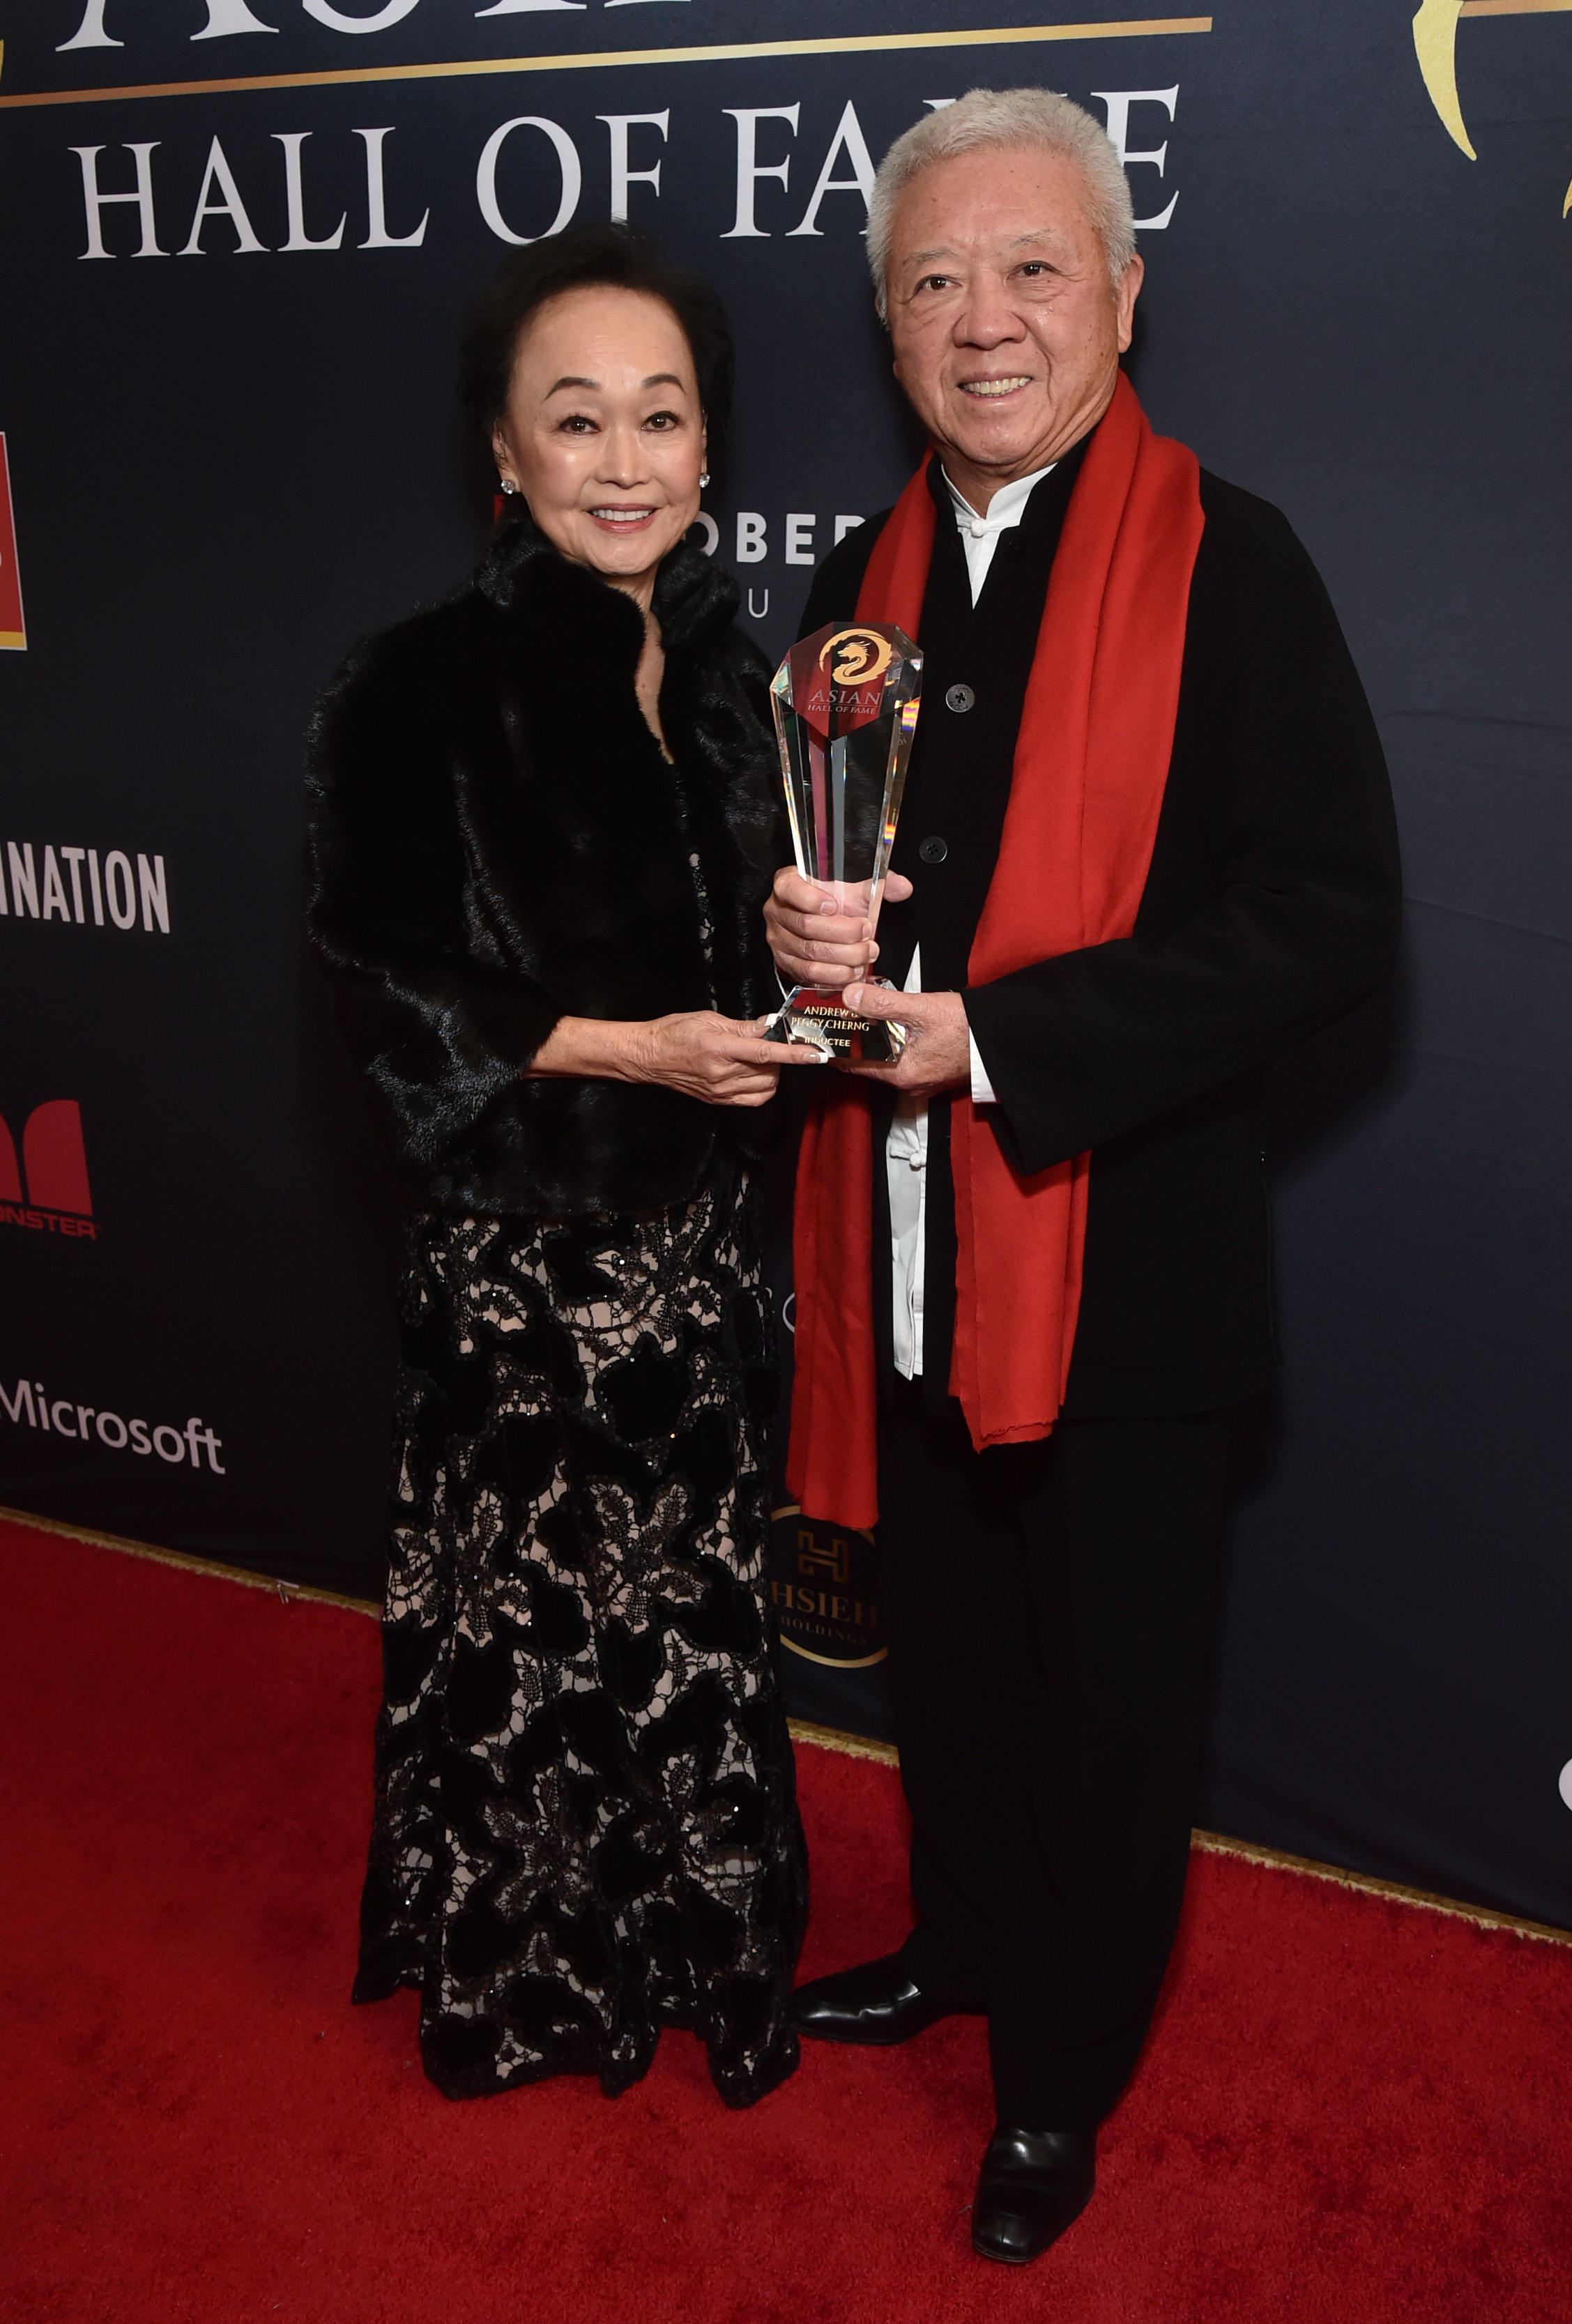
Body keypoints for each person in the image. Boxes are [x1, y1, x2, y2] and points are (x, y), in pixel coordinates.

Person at [767, 91, 1401, 2260]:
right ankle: (960, 1944)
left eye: (1033, 269)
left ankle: (1057, 2074)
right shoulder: (855, 594)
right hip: (905, 1242)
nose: (986, 321)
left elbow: (1328, 919)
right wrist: (799, 930)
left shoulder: (1236, 558)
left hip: (1124, 1269)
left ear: (1126, 295)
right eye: (935, 281)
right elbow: (842, 873)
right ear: (888, 328)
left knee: (1111, 1699)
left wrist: (1001, 1042)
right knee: (948, 1656)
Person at [306, 224, 822, 2111]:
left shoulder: (739, 678)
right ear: (505, 454)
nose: (623, 461)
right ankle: (532, 1980)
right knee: (529, 1643)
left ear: (709, 449)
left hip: (698, 1257)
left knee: (689, 1625)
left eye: (660, 417)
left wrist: (815, 958)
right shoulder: (416, 680)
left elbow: (766, 947)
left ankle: (694, 1952)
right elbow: (377, 971)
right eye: (576, 417)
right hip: (522, 1278)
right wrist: (631, 1049)